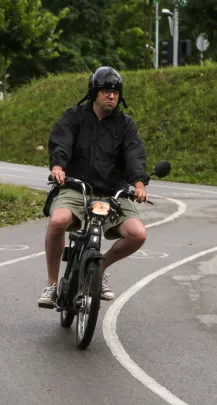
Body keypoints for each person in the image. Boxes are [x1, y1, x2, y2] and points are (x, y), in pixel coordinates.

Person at [37, 66, 151, 309]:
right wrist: (58, 166)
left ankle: (100, 268)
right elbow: (61, 142)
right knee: (58, 221)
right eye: (106, 91)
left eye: (116, 92)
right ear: (94, 92)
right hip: (76, 187)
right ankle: (52, 285)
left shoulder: (125, 124)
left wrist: (139, 184)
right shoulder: (75, 116)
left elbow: (134, 155)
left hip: (112, 192)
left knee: (138, 234)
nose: (111, 96)